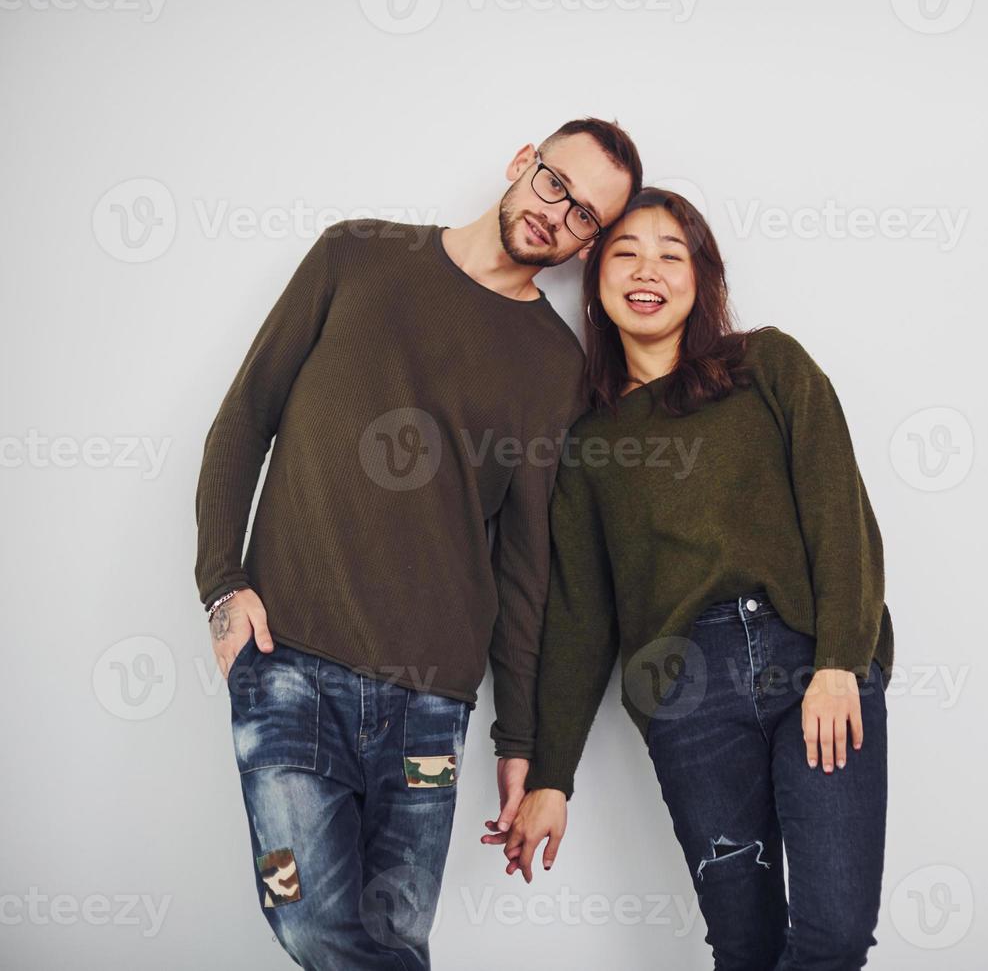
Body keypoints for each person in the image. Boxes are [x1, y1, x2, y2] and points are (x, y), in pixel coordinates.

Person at [194, 118, 641, 969]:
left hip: (431, 703)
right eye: (555, 184)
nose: (559, 215)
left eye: (586, 216)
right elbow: (245, 416)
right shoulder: (355, 255)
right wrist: (221, 582)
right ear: (521, 162)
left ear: (589, 243)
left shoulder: (555, 364)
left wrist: (520, 743)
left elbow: (526, 568)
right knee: (309, 922)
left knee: (396, 937)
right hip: (286, 658)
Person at [499, 188, 895, 970]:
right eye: (625, 253)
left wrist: (840, 662)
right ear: (597, 282)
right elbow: (580, 621)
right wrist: (551, 777)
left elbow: (838, 513)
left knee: (834, 936)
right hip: (687, 697)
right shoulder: (590, 446)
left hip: (809, 662)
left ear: (700, 277)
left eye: (671, 255)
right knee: (743, 948)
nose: (648, 271)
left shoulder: (768, 366)